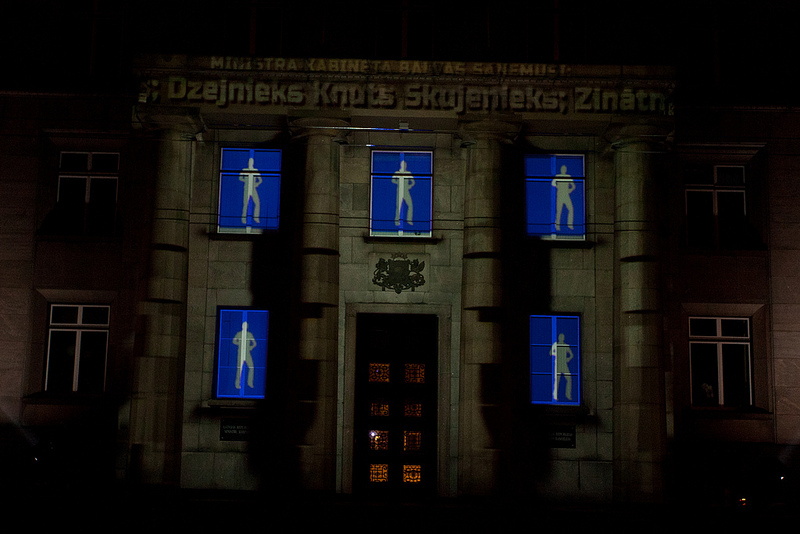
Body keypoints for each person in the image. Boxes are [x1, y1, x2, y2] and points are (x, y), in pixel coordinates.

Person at [232, 321, 256, 390]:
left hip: (247, 353)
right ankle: (237, 384)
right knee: (239, 368)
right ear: (242, 326)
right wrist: (240, 344)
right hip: (240, 352)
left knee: (251, 367)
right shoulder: (239, 333)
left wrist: (251, 347)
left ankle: (250, 383)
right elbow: (234, 341)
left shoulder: (249, 334)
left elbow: (254, 343)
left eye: (246, 326)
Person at [551, 333, 574, 401]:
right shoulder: (555, 344)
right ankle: (555, 396)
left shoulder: (566, 346)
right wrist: (556, 354)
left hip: (564, 364)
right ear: (559, 338)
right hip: (558, 364)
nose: (561, 338)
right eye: (560, 337)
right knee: (557, 380)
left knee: (569, 379)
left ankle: (568, 395)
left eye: (562, 337)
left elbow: (571, 355)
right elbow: (551, 352)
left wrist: (568, 359)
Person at [551, 164, 575, 231]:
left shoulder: (568, 176)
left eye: (564, 169)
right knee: (559, 211)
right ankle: (557, 226)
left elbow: (573, 186)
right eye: (562, 169)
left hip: (566, 195)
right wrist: (557, 186)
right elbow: (553, 183)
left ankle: (570, 224)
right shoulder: (557, 176)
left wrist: (570, 190)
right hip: (560, 195)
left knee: (571, 209)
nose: (563, 170)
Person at [392, 160, 415, 226]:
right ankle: (397, 222)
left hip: (406, 191)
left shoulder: (408, 173)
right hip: (399, 190)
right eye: (403, 165)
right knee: (398, 206)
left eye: (405, 165)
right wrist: (398, 182)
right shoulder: (397, 172)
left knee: (410, 205)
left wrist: (410, 186)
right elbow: (393, 180)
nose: (404, 166)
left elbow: (413, 182)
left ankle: (409, 220)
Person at [240, 157, 262, 224]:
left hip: (253, 189)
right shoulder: (244, 170)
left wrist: (256, 184)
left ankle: (256, 218)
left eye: (251, 162)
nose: (250, 163)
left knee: (257, 203)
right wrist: (246, 181)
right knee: (245, 204)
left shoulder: (255, 170)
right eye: (249, 162)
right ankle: (243, 219)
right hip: (246, 188)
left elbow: (260, 180)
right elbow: (240, 178)